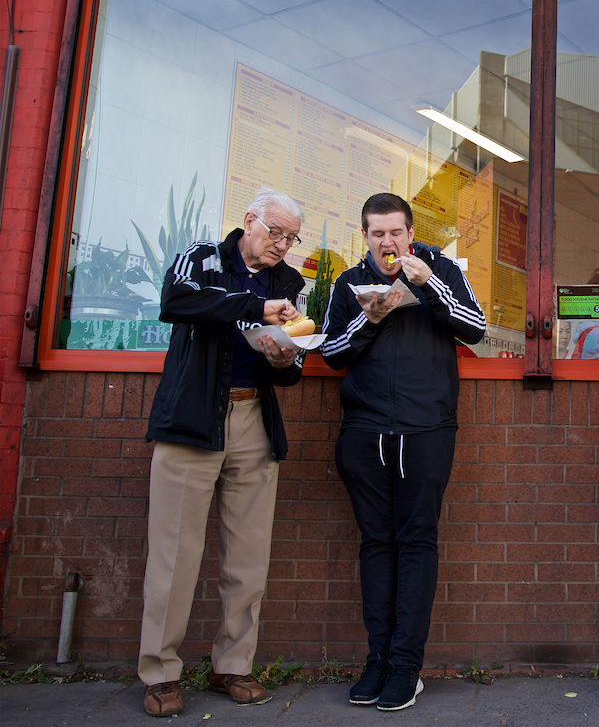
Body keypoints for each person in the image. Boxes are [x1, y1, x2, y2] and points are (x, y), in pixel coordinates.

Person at [139, 188, 307, 717]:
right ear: (249, 220)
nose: (282, 244)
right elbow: (177, 302)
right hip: (192, 421)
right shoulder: (203, 257)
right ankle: (161, 672)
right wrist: (254, 306)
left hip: (253, 416)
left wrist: (285, 359)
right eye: (275, 232)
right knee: (174, 556)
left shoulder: (290, 283)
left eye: (291, 237)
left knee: (248, 557)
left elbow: (295, 364)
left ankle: (233, 665)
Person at [320, 193, 486, 711]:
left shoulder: (442, 270)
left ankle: (405, 666)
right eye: (377, 234)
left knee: (416, 541)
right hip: (365, 429)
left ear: (410, 233)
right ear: (364, 236)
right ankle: (378, 659)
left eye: (396, 233)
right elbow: (328, 353)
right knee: (376, 543)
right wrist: (369, 319)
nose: (387, 243)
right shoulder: (349, 283)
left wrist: (425, 285)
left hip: (427, 428)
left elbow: (475, 328)